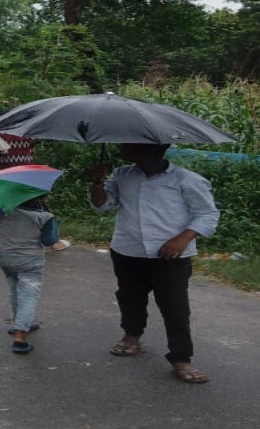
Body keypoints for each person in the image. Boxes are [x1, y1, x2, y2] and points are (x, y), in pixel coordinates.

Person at [90, 143, 220, 384]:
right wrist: (98, 183)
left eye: (128, 142)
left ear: (145, 148)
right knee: (129, 297)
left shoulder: (187, 180)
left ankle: (181, 358)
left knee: (175, 307)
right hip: (128, 249)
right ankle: (132, 336)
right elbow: (103, 206)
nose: (121, 146)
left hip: (171, 255)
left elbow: (207, 214)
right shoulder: (122, 174)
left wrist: (182, 238)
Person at [0, 196, 56, 354]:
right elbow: (50, 241)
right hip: (30, 259)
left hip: (4, 256)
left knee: (15, 289)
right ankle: (20, 335)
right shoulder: (45, 217)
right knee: (29, 294)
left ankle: (19, 322)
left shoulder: (3, 212)